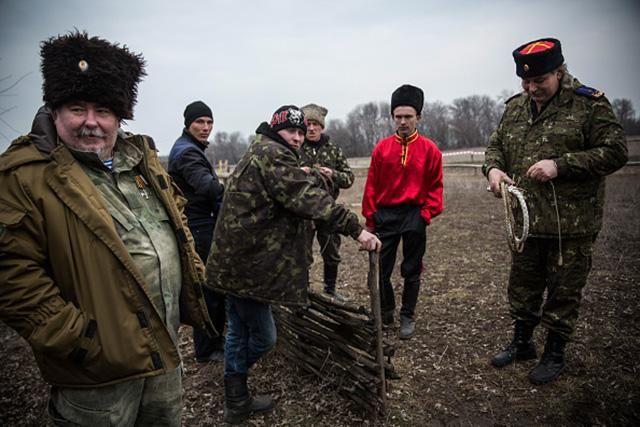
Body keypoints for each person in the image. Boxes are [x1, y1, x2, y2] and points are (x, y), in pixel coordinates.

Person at [0, 31, 215, 426]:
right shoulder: (25, 175)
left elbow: (176, 220)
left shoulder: (140, 161)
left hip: (163, 355)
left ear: (119, 116)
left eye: (103, 110)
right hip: (97, 376)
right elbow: (12, 274)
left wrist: (192, 275)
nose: (91, 122)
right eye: (77, 108)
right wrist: (80, 340)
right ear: (55, 109)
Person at [206, 105, 381, 424]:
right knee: (263, 337)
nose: (298, 138)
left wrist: (311, 173)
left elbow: (297, 185)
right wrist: (357, 229)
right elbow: (309, 199)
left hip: (235, 263)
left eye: (302, 132)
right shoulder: (273, 154)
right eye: (292, 131)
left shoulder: (262, 149)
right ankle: (235, 386)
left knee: (238, 332)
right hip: (248, 268)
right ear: (276, 129)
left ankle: (236, 400)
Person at [483, 37, 628, 385]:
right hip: (527, 222)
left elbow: (615, 151)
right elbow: (496, 146)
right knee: (522, 286)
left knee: (563, 291)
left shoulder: (590, 105)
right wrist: (493, 170)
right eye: (526, 81)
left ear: (559, 72)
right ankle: (522, 343)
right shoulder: (516, 107)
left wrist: (561, 165)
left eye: (539, 81)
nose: (532, 88)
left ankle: (554, 352)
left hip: (571, 224)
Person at [362, 84, 444, 340]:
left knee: (412, 268)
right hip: (386, 214)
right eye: (398, 116)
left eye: (408, 116)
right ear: (392, 117)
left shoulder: (430, 149)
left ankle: (407, 315)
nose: (403, 121)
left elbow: (435, 186)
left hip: (414, 214)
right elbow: (372, 185)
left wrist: (426, 214)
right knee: (381, 268)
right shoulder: (382, 149)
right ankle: (386, 310)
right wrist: (370, 218)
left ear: (418, 116)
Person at [168, 101, 226, 363]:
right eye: (199, 122)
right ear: (187, 123)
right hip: (198, 225)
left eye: (209, 122)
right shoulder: (188, 153)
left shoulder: (189, 148)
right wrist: (228, 188)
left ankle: (214, 341)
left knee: (210, 285)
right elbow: (206, 188)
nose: (205, 127)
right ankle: (207, 349)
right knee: (207, 287)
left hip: (200, 221)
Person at [299, 103, 355, 301]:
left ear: (322, 126)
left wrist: (334, 174)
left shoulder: (333, 149)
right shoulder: (295, 148)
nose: (311, 128)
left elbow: (349, 178)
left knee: (331, 252)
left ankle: (330, 290)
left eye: (315, 124)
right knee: (301, 255)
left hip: (328, 210)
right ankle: (302, 293)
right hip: (302, 213)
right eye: (308, 124)